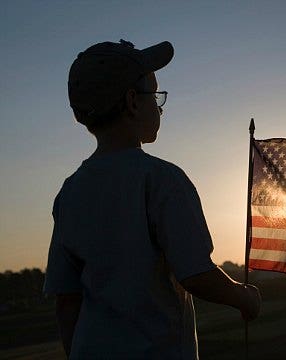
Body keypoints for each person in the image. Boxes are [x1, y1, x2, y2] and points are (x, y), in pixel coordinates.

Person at [43, 39, 261, 359]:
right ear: (133, 101)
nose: (159, 106)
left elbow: (66, 299)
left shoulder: (69, 192)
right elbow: (196, 274)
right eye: (155, 95)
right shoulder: (162, 180)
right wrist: (244, 297)